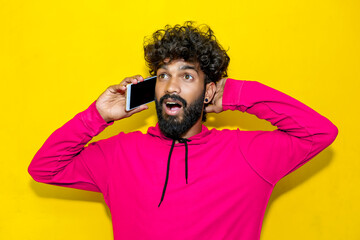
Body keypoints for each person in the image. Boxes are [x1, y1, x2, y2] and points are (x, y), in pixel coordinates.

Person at [28, 22, 338, 240]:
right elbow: (44, 168)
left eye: (187, 76)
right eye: (163, 75)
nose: (172, 86)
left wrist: (237, 94)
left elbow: (319, 133)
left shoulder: (249, 154)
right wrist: (97, 116)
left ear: (209, 91)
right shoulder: (119, 155)